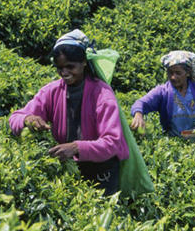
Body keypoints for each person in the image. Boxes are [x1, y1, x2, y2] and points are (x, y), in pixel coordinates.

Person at [9, 30, 129, 195]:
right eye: (60, 68)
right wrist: (28, 119)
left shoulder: (103, 95)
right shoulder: (51, 91)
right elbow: (15, 117)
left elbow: (112, 143)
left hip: (101, 169)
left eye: (70, 67)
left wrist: (75, 147)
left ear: (84, 63)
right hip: (68, 165)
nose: (64, 73)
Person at [129, 50, 195, 151]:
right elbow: (140, 103)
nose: (173, 77)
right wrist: (138, 114)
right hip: (175, 145)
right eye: (170, 73)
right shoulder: (163, 92)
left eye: (178, 73)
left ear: (188, 73)